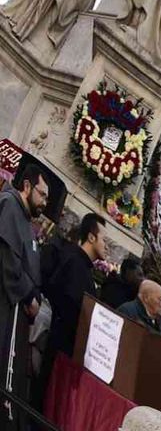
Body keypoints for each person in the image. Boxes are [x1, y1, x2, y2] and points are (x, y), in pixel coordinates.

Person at [37, 212, 107, 402]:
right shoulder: (75, 262)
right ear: (91, 237)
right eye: (103, 239)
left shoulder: (81, 265)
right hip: (59, 351)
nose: (106, 245)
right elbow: (70, 307)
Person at [0, 163, 47, 431]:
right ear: (26, 187)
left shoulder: (26, 219)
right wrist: (28, 296)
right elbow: (7, 259)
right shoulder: (9, 204)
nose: (44, 202)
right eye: (41, 194)